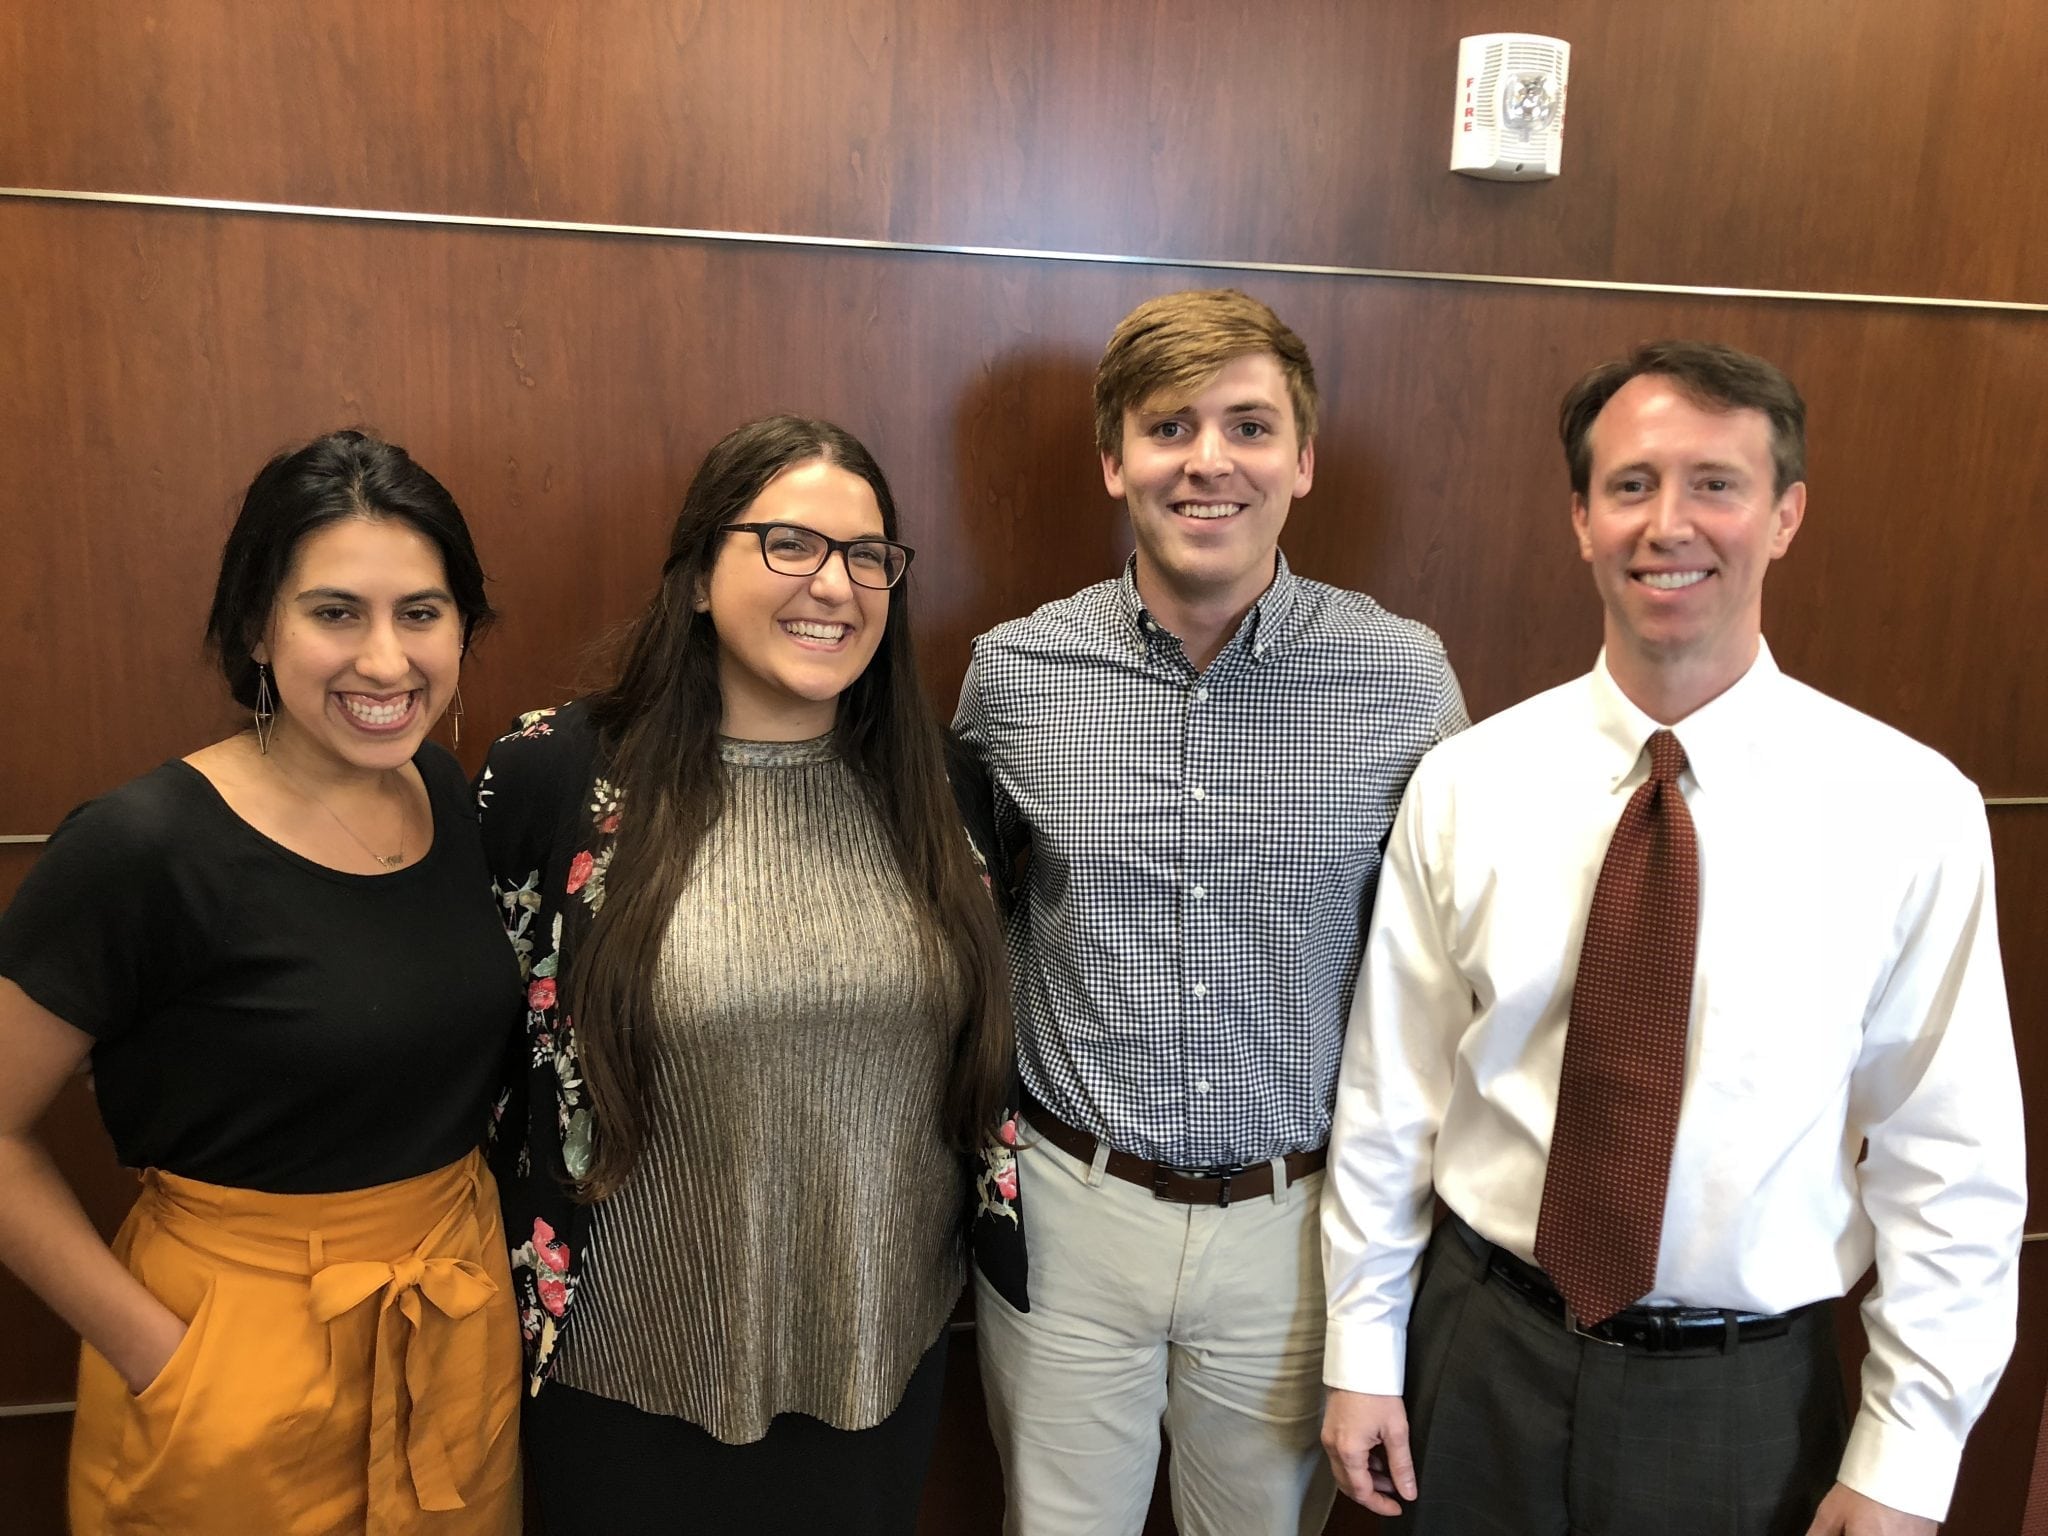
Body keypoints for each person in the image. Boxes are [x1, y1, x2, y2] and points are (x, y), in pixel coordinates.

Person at [1320, 340, 2025, 1536]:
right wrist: (1360, 1345)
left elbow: (1947, 1160)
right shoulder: (1466, 782)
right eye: (1631, 485)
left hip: (1740, 1396)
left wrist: (1907, 1454)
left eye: (1715, 484)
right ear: (1580, 521)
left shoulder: (1909, 809)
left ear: (1784, 515)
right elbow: (1391, 1098)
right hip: (1478, 1348)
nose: (1669, 524)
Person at [954, 288, 1468, 1536]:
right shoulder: (1013, 673)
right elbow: (968, 918)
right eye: (1168, 426)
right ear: (1112, 460)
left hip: (1295, 1234)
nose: (1207, 461)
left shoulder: (1401, 676)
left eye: (1246, 425)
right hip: (1068, 1212)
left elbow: (1450, 963)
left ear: (1301, 458)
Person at [477, 414, 1014, 1536]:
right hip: (619, 1371)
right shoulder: (555, 773)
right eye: (788, 544)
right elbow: (480, 1059)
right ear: (693, 578)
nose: (836, 584)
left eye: (868, 557)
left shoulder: (945, 787)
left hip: (877, 1355)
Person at [0, 430, 524, 1534]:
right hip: (228, 1362)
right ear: (256, 628)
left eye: (421, 614)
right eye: (335, 612)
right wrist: (165, 1357)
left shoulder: (440, 786)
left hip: (447, 1337)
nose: (386, 662)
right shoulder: (144, 846)